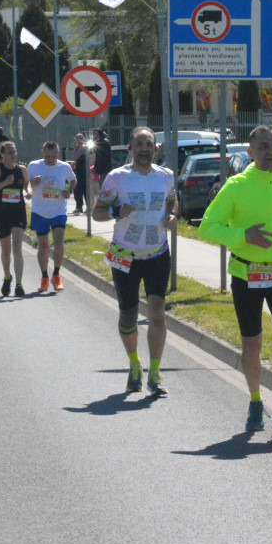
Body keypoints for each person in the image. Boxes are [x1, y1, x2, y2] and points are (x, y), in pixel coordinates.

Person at [198, 125, 272, 436]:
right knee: (252, 344)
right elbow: (207, 227)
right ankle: (254, 402)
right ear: (250, 152)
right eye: (264, 146)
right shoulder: (236, 186)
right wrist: (241, 235)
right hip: (246, 273)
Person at [92, 127, 177, 396]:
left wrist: (172, 216)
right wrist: (117, 211)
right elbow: (97, 212)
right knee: (128, 315)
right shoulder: (117, 178)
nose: (144, 148)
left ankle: (154, 372)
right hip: (124, 254)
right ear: (129, 147)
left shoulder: (166, 176)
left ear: (156, 148)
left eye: (148, 144)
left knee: (157, 314)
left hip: (157, 254)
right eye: (139, 144)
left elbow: (172, 202)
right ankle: (134, 365)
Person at [27, 141, 76, 292]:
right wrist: (31, 186)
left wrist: (70, 190)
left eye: (52, 156)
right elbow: (27, 183)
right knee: (43, 246)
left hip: (58, 211)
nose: (49, 159)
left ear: (58, 154)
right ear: (42, 153)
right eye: (47, 156)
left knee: (59, 243)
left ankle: (56, 274)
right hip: (40, 211)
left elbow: (73, 180)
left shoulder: (64, 167)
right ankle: (44, 277)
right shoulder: (34, 166)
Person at [0, 140, 29, 297]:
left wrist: (27, 191)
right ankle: (7, 277)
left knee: (17, 247)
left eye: (14, 151)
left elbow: (25, 185)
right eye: (10, 152)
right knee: (6, 249)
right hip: (1, 214)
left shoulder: (22, 170)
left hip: (18, 213)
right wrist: (4, 183)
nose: (13, 154)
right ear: (2, 154)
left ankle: (19, 284)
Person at [88, 128, 112, 206]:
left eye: (95, 133)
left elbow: (104, 154)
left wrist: (96, 144)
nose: (94, 135)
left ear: (98, 134)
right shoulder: (99, 142)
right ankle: (105, 202)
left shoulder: (104, 142)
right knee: (102, 186)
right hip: (100, 168)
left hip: (104, 168)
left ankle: (107, 203)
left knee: (105, 186)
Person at [71, 133, 87, 214]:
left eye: (79, 138)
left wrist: (75, 149)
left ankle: (80, 207)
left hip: (83, 172)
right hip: (80, 171)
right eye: (76, 139)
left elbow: (74, 157)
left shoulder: (83, 148)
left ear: (83, 139)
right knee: (79, 190)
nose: (77, 140)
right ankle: (79, 206)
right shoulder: (79, 148)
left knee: (81, 189)